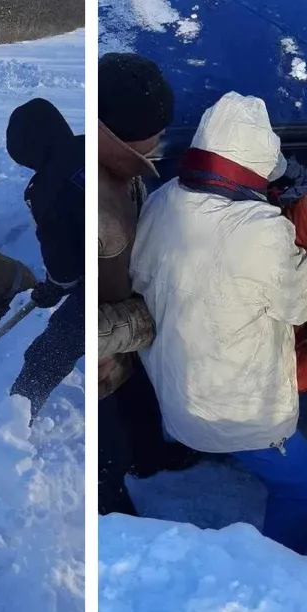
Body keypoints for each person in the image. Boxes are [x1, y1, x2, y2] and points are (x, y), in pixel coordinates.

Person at [130, 92, 307, 554]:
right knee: (302, 485)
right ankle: (281, 567)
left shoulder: (162, 201)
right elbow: (303, 303)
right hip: (238, 416)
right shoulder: (260, 229)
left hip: (175, 395)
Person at [95, 52, 175, 516]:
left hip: (129, 351)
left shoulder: (121, 172)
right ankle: (117, 517)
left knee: (141, 411)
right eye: (156, 134)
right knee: (110, 452)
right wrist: (151, 314)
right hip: (105, 359)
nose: (162, 141)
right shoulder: (99, 214)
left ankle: (151, 456)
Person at [4, 97, 85, 420]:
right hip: (138, 260)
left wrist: (54, 285)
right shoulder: (89, 147)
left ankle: (10, 425)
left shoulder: (46, 190)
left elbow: (65, 264)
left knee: (46, 355)